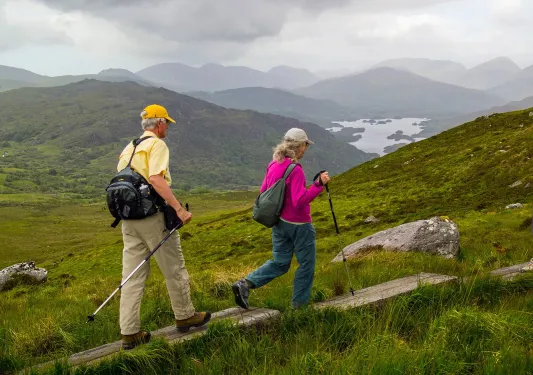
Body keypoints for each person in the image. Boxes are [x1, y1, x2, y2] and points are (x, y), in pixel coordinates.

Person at [117, 104, 211, 350]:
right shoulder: (156, 145)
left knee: (132, 276)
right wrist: (179, 209)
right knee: (174, 268)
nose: (168, 126)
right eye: (166, 123)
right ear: (159, 124)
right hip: (152, 218)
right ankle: (184, 315)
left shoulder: (130, 146)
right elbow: (156, 179)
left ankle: (129, 333)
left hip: (128, 220)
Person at [232, 128, 330, 309]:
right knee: (306, 265)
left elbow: (264, 192)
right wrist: (318, 185)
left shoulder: (274, 164)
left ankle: (245, 284)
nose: (305, 149)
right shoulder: (296, 169)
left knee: (280, 262)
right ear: (300, 146)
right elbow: (299, 201)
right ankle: (299, 308)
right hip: (299, 225)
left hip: (279, 223)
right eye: (305, 145)